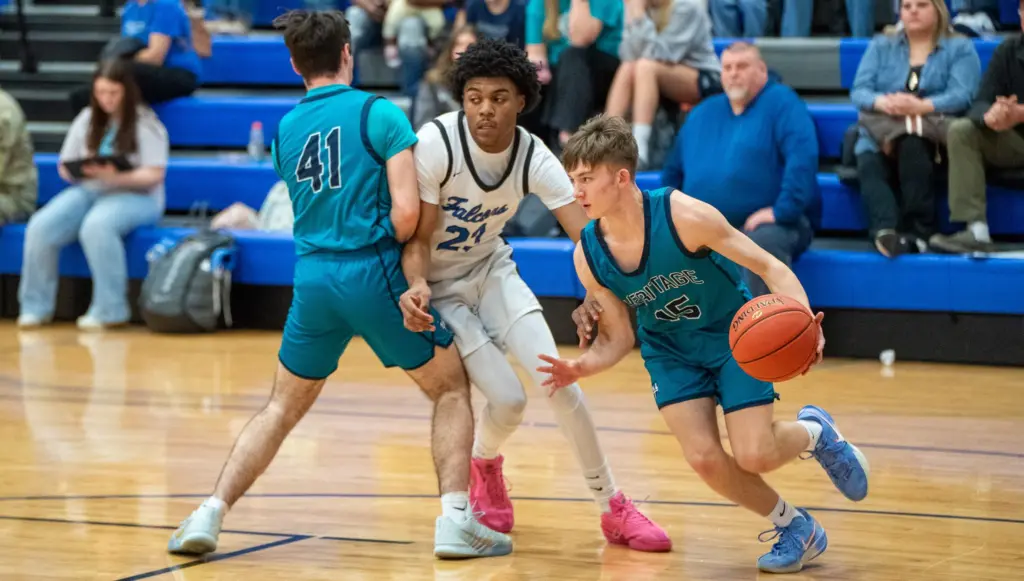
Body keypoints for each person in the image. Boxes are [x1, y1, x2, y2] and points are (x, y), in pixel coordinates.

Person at [166, 11, 512, 560]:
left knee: (281, 407)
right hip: (370, 271)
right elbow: (406, 214)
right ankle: (456, 521)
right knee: (450, 389)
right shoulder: (380, 113)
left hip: (311, 278)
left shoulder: (285, 129)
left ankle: (209, 511)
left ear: (294, 64)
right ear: (347, 53)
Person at [540, 115, 870, 574]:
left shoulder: (684, 216)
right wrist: (583, 367)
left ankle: (817, 433)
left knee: (754, 453)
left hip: (732, 337)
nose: (576, 191)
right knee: (704, 459)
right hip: (670, 352)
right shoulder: (588, 255)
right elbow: (620, 336)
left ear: (621, 177)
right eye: (572, 179)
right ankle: (796, 527)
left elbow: (770, 266)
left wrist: (805, 321)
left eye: (586, 179)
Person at [399, 38, 671, 552]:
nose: (485, 108)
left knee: (560, 381)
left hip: (491, 271)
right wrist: (416, 284)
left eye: (498, 97)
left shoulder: (532, 154)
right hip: (441, 290)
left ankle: (612, 506)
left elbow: (586, 235)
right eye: (474, 97)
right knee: (509, 401)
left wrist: (595, 291)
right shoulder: (436, 143)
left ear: (521, 100)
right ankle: (483, 464)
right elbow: (417, 238)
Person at [19, 59, 166, 330]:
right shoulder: (87, 118)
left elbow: (155, 174)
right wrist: (81, 171)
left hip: (138, 196)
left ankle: (110, 308)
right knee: (40, 226)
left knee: (97, 225)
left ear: (127, 91)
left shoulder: (146, 122)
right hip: (91, 188)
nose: (107, 99)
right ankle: (34, 307)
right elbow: (65, 165)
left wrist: (116, 177)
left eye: (113, 93)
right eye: (101, 92)